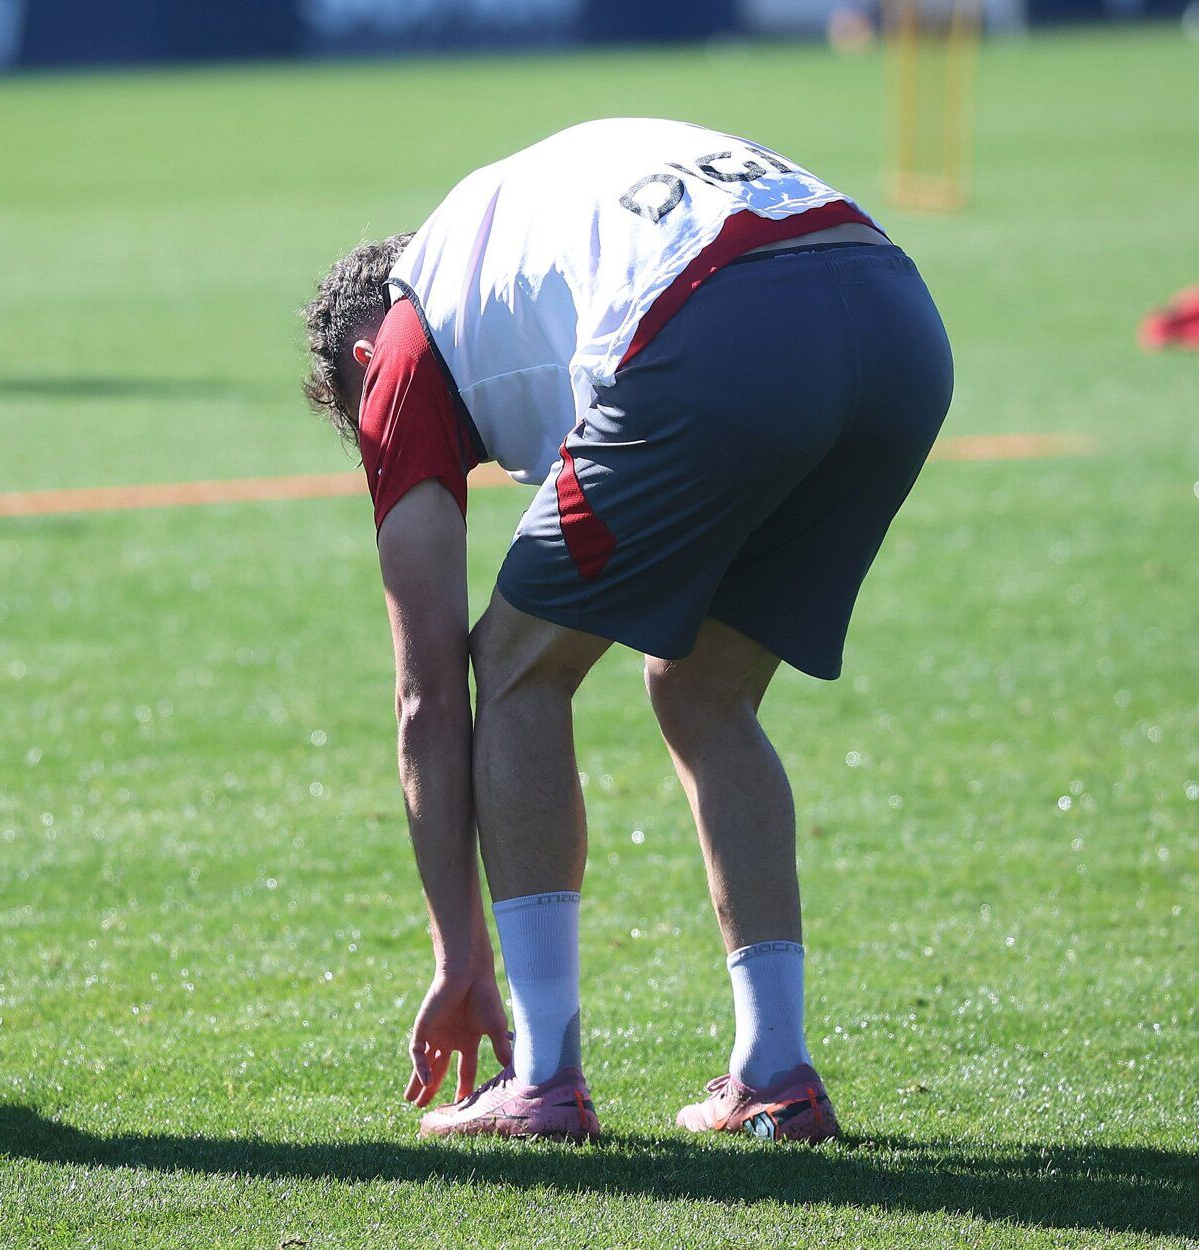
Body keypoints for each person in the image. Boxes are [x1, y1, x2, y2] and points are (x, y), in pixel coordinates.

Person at [301, 118, 951, 1142]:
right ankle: (775, 1071)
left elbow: (426, 693)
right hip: (896, 315)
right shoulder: (497, 242)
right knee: (700, 683)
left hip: (722, 323)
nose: (395, 445)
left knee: (512, 666)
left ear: (364, 354)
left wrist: (455, 951)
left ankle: (545, 1078)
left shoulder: (403, 342)